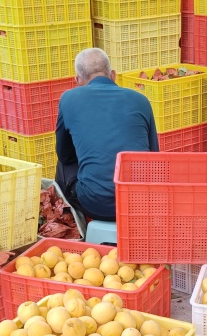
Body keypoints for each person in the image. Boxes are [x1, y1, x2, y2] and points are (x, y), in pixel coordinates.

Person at [55, 47, 158, 223]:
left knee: (63, 165)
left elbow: (65, 155)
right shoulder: (141, 100)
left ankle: (77, 225)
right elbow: (154, 157)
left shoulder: (69, 98)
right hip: (141, 202)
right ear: (113, 75)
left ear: (78, 80)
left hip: (95, 205)